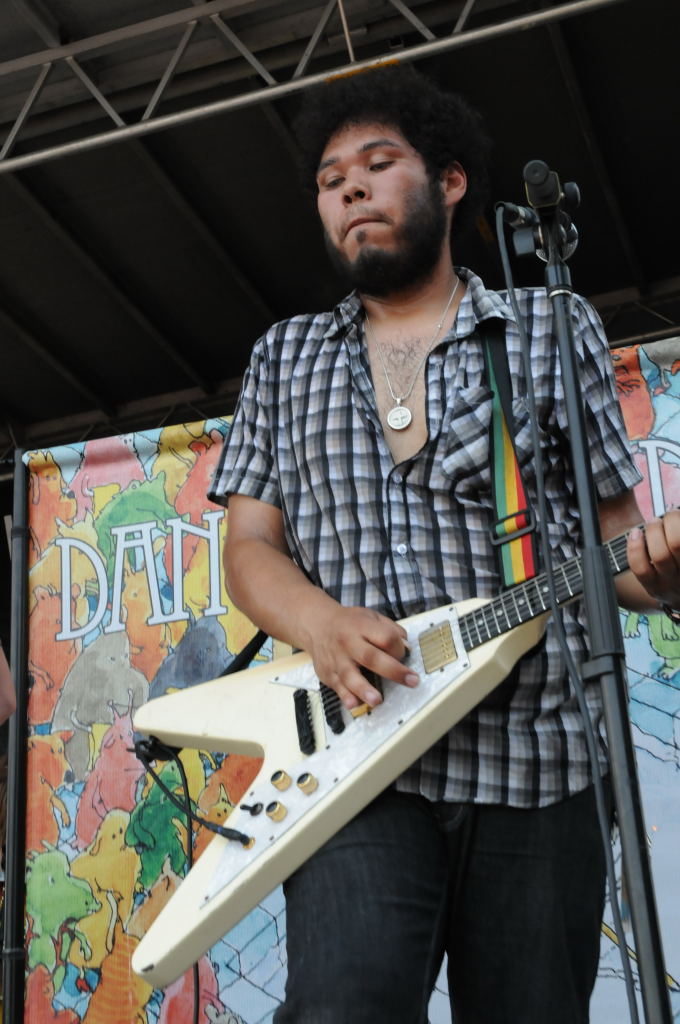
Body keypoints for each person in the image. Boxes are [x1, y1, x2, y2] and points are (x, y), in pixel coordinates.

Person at [209, 65, 680, 1024]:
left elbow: (619, 553)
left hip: (540, 761)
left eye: (378, 164)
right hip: (357, 767)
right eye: (331, 179)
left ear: (451, 180)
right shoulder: (284, 355)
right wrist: (323, 623)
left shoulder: (549, 327)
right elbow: (249, 547)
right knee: (344, 1007)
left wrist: (664, 571)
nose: (351, 188)